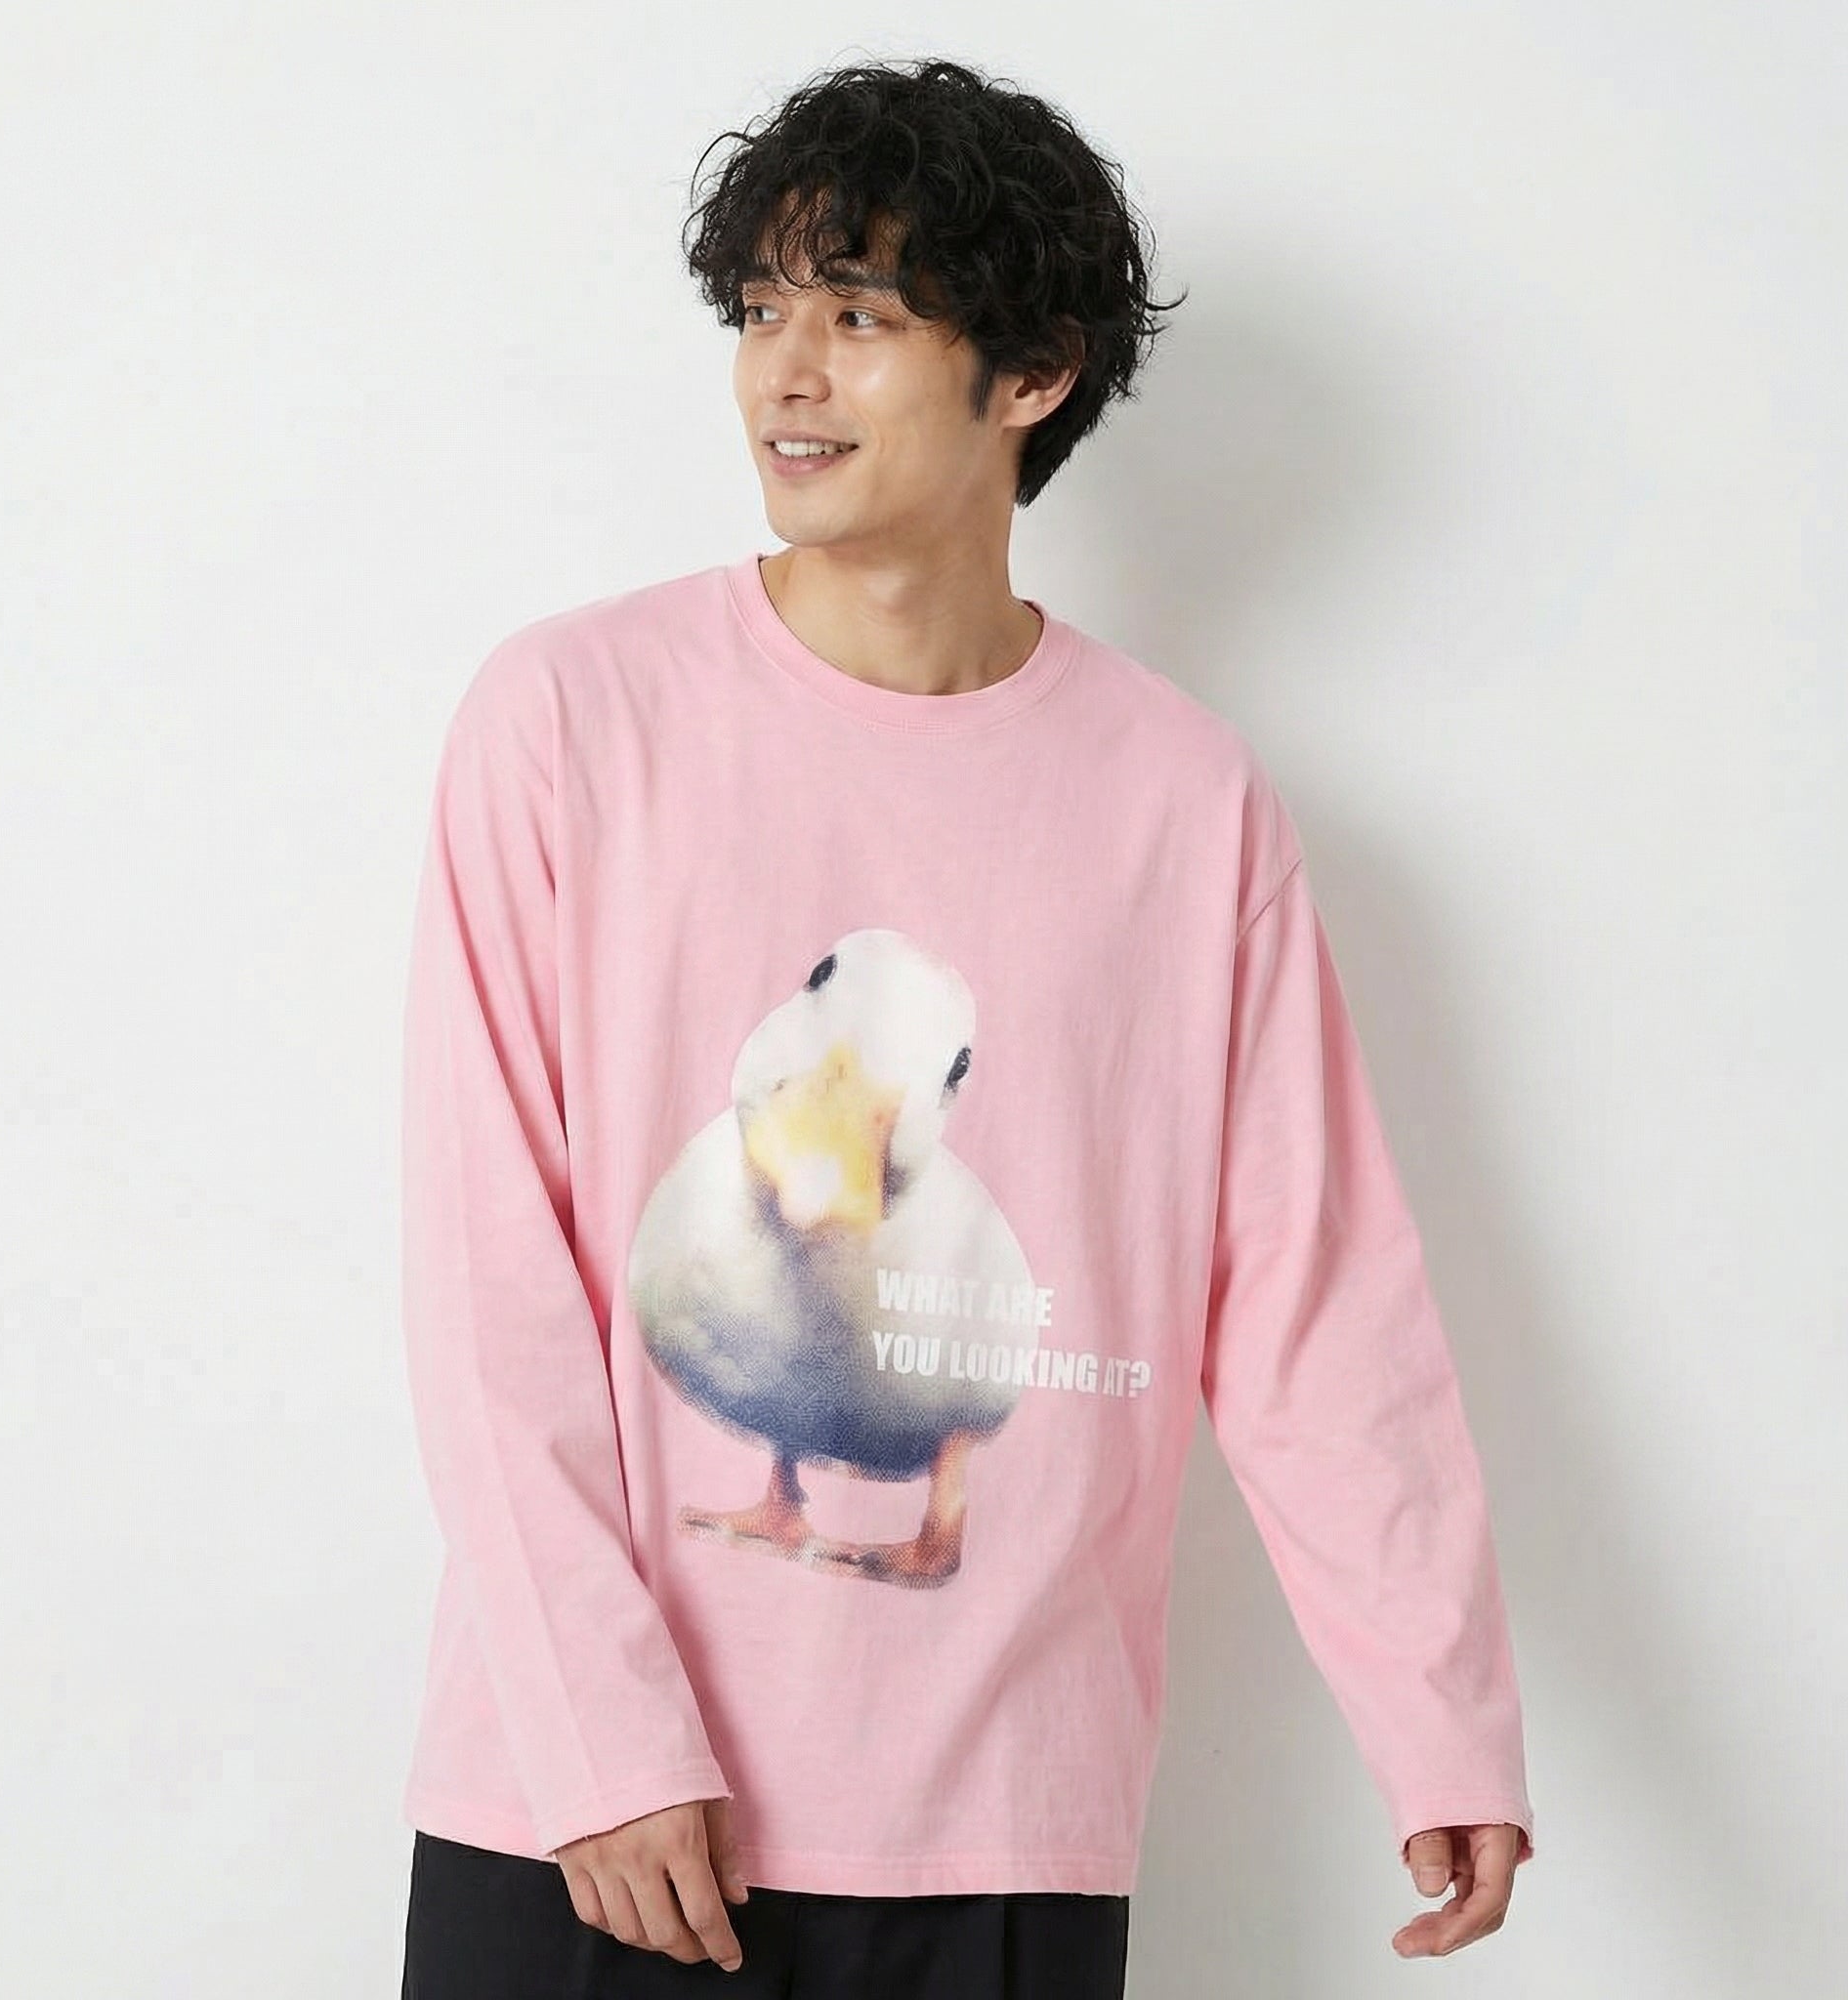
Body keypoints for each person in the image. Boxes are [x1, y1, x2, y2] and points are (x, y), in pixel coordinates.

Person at [396, 55, 1535, 1999]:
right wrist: (600, 1739)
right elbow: (488, 1278)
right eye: (760, 309)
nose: (785, 372)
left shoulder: (1182, 802)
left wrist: (1437, 1713)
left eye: (858, 314)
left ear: (1032, 375)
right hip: (586, 1828)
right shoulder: (572, 721)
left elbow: (1312, 1294)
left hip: (1002, 1822)